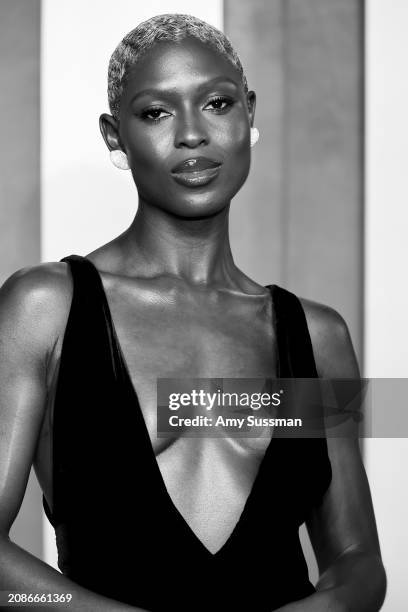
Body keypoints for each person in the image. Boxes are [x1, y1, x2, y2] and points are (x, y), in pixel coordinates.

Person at [0, 13, 386, 612]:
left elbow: (357, 562)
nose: (192, 135)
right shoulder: (45, 308)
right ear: (114, 136)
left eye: (217, 104)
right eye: (156, 113)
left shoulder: (317, 335)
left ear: (249, 114)